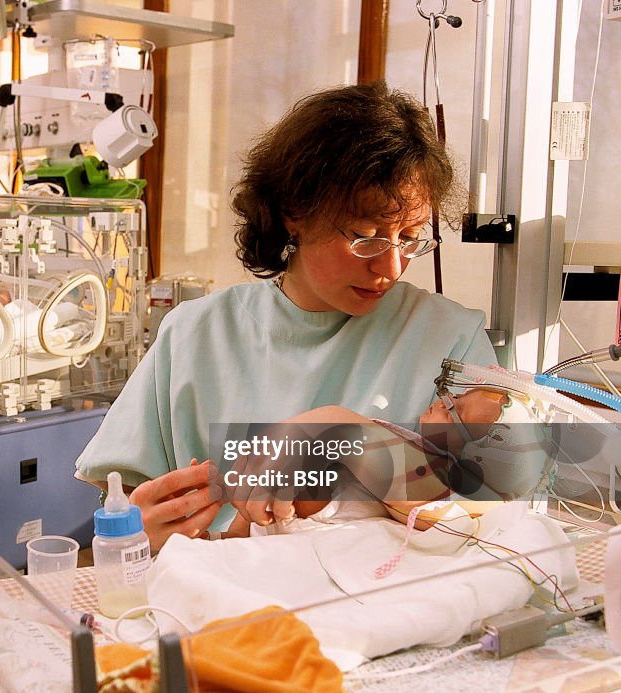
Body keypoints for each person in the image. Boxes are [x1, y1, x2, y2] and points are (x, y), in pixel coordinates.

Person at [74, 81, 498, 550]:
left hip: (375, 602)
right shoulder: (195, 334)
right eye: (365, 234)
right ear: (295, 212)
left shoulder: (449, 341)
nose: (390, 266)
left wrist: (349, 436)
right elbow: (129, 513)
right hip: (217, 595)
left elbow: (489, 515)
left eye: (411, 236)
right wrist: (142, 535)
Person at [231, 386, 553, 536]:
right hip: (273, 516)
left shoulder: (442, 486)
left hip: (303, 518)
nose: (445, 400)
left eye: (457, 410)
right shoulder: (418, 448)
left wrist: (323, 425)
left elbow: (347, 435)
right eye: (455, 395)